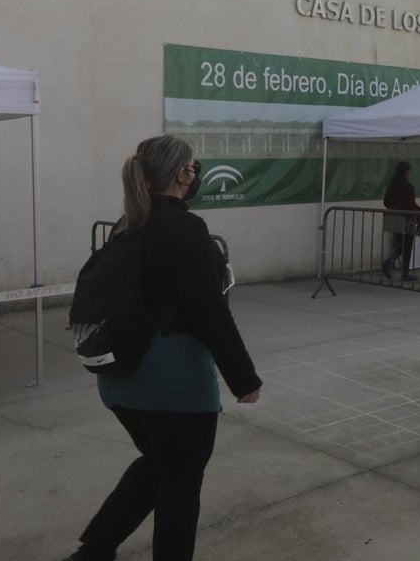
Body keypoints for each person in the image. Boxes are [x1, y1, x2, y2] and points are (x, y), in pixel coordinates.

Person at [64, 135, 262, 561]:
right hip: (172, 388)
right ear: (181, 175)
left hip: (121, 383)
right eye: (194, 168)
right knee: (179, 489)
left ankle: (94, 550)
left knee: (160, 466)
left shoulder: (129, 224)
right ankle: (96, 550)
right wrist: (243, 379)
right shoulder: (184, 228)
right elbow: (209, 310)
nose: (196, 176)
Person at [381, 161, 420, 283]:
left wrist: (395, 208)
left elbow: (386, 202)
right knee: (406, 246)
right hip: (406, 219)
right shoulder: (408, 187)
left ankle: (389, 263)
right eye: (410, 171)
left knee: (398, 244)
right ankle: (404, 273)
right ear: (407, 172)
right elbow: (411, 206)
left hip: (393, 219)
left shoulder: (392, 185)